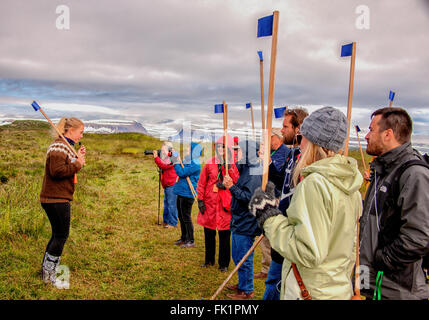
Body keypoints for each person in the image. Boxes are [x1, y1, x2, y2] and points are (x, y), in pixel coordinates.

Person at [250, 107, 363, 300]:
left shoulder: (315, 184)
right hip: (335, 287)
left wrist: (268, 218)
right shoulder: (351, 184)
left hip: (311, 289)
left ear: (313, 142)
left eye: (303, 138)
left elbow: (307, 251)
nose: (300, 144)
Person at [359, 107, 429, 300]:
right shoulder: (383, 170)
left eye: (371, 129)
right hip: (372, 284)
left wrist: (382, 260)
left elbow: (419, 237)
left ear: (388, 134)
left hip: (397, 290)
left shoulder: (413, 174)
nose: (366, 136)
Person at [263, 108, 308, 300]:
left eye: (285, 126)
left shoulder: (307, 159)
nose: (282, 131)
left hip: (294, 233)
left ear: (298, 129)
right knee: (273, 281)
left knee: (279, 284)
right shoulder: (293, 154)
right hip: (282, 225)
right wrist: (268, 165)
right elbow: (282, 181)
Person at [40, 117, 86, 287]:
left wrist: (76, 160)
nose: (81, 135)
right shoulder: (59, 146)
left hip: (57, 198)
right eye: (80, 131)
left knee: (57, 235)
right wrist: (78, 164)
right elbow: (57, 171)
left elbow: (66, 167)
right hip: (56, 199)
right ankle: (49, 274)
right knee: (61, 236)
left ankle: (47, 269)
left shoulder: (65, 146)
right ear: (71, 130)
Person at [223, 139, 262, 299]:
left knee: (244, 257)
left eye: (239, 151)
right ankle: (242, 284)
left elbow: (249, 197)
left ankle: (247, 290)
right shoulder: (247, 167)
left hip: (247, 221)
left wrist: (232, 187)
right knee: (238, 255)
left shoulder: (254, 173)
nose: (236, 154)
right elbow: (237, 167)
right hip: (239, 219)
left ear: (248, 153)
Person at [196, 136, 238, 272]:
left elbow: (237, 181)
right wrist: (200, 200)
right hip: (210, 204)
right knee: (209, 233)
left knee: (225, 235)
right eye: (218, 146)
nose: (220, 149)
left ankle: (224, 264)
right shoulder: (210, 162)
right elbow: (202, 182)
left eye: (223, 146)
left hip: (224, 205)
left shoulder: (233, 164)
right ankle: (209, 260)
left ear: (229, 148)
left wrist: (228, 173)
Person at [254, 128, 291, 280]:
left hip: (276, 197)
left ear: (278, 138)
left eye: (269, 138)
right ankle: (266, 266)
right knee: (265, 233)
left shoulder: (285, 153)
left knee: (273, 233)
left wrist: (268, 162)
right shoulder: (270, 151)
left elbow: (279, 177)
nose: (267, 141)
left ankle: (272, 267)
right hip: (266, 194)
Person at [171, 142, 202, 248]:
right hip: (181, 191)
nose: (187, 149)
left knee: (186, 217)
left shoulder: (196, 163)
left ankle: (190, 240)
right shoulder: (188, 159)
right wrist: (175, 157)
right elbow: (180, 164)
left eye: (189, 148)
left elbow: (181, 172)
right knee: (181, 216)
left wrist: (176, 163)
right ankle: (184, 238)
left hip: (188, 193)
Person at [153, 142, 178, 228]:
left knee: (171, 203)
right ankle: (166, 221)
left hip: (172, 183)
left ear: (170, 149)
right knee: (167, 203)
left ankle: (173, 223)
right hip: (168, 183)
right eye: (162, 150)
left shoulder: (174, 156)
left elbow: (164, 165)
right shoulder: (168, 156)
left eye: (163, 150)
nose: (162, 152)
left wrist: (156, 158)